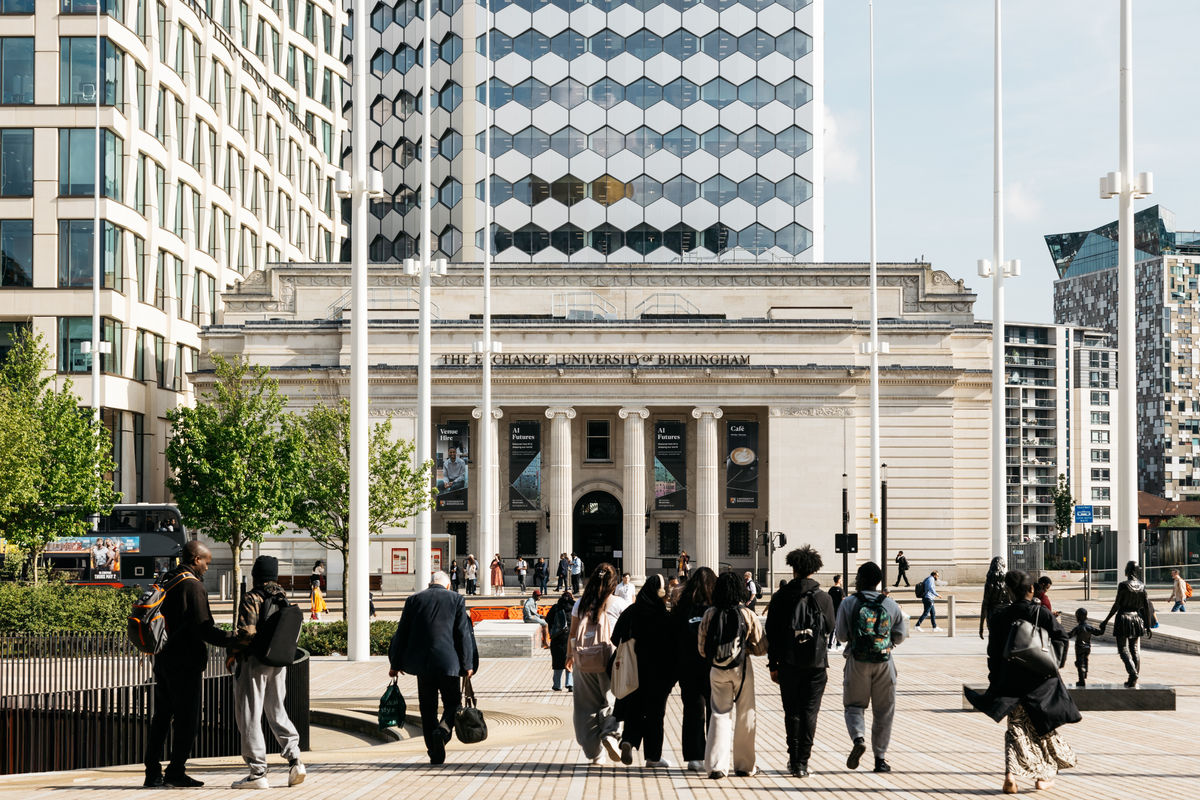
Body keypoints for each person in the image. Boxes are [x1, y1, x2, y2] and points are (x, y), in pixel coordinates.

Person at [966, 570, 1079, 794]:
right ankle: (1043, 777)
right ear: (1031, 589)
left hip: (1010, 682)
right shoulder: (1042, 614)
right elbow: (1062, 638)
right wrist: (1052, 663)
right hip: (1039, 683)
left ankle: (1010, 776)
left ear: (1009, 591)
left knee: (1015, 729)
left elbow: (994, 653)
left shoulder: (1000, 617)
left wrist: (995, 679)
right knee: (1042, 729)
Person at [143, 541, 237, 788]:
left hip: (163, 658)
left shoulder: (168, 579)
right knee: (188, 720)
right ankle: (176, 772)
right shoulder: (193, 587)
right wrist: (234, 639)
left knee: (161, 717)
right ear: (196, 559)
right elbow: (204, 628)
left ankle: (152, 772)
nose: (207, 567)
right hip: (186, 663)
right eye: (207, 561)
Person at [228, 556, 305, 790]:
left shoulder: (253, 597)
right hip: (278, 662)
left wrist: (232, 653)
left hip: (255, 662)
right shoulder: (283, 598)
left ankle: (257, 772)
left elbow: (246, 633)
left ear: (256, 575)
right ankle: (295, 760)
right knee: (277, 710)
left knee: (250, 714)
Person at [388, 571, 479, 765]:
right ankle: (443, 732)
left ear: (431, 584)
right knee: (453, 705)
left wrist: (395, 664)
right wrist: (468, 665)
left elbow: (401, 633)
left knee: (427, 709)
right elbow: (462, 634)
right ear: (447, 586)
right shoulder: (456, 599)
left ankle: (434, 752)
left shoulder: (413, 600)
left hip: (423, 666)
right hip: (450, 664)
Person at [766, 546, 836, 778]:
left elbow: (772, 633)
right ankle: (804, 763)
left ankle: (793, 759)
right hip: (816, 664)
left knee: (792, 712)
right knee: (809, 713)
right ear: (814, 569)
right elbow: (830, 628)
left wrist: (773, 664)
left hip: (788, 662)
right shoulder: (823, 598)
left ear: (793, 568)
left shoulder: (781, 597)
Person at [835, 561, 907, 774]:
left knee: (854, 705)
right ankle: (880, 759)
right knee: (884, 711)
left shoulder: (849, 603)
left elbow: (840, 635)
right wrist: (887, 644)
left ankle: (859, 737)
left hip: (857, 661)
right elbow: (901, 635)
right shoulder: (890, 604)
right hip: (884, 662)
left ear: (860, 580)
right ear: (878, 582)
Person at [699, 571, 766, 780]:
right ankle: (745, 765)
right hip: (741, 667)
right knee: (746, 713)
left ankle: (717, 766)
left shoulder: (710, 613)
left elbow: (702, 648)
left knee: (719, 713)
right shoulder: (746, 614)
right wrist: (745, 650)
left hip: (717, 668)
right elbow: (762, 646)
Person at [567, 562, 630, 763]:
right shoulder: (620, 604)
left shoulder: (580, 603)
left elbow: (573, 633)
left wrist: (570, 656)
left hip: (583, 658)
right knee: (612, 698)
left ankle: (594, 752)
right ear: (614, 583)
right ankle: (610, 734)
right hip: (611, 658)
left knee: (585, 705)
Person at [613, 574, 677, 768]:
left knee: (635, 708)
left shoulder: (631, 611)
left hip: (633, 671)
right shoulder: (664, 616)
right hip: (658, 674)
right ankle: (653, 757)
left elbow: (615, 638)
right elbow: (673, 647)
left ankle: (628, 741)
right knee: (655, 714)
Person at [672, 567, 716, 772]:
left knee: (692, 710)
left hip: (687, 666)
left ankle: (693, 756)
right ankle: (713, 754)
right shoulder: (715, 607)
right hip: (711, 666)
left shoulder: (682, 606)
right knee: (714, 710)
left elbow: (674, 636)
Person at [1098, 561, 1157, 688]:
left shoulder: (1123, 585)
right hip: (1137, 619)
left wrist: (1106, 620)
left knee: (1122, 648)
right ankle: (1133, 680)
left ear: (1129, 570)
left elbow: (1117, 605)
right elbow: (1146, 607)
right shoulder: (1142, 585)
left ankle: (1133, 673)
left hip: (1124, 617)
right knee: (1134, 649)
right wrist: (1147, 626)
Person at [547, 590, 575, 691]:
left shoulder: (556, 607)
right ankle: (570, 684)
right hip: (571, 638)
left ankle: (557, 685)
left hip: (557, 638)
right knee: (570, 661)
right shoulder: (575, 607)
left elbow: (548, 620)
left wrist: (552, 631)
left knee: (557, 662)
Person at [1067, 608, 1100, 687]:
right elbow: (1099, 633)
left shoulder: (1078, 628)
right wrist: (1103, 626)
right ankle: (1084, 672)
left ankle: (1081, 680)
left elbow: (1069, 635)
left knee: (1079, 663)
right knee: (1085, 660)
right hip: (1087, 648)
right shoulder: (1089, 627)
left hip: (1079, 648)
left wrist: (1060, 632)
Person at [980, 556, 1011, 640]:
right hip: (1006, 615)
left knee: (994, 640)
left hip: (993, 615)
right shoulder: (1008, 582)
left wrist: (981, 626)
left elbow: (985, 603)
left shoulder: (989, 583)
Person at [828, 574, 845, 650]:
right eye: (841, 579)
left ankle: (838, 643)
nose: (842, 581)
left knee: (837, 627)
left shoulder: (831, 589)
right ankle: (830, 645)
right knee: (835, 628)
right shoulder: (840, 590)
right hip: (838, 610)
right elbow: (843, 600)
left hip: (832, 610)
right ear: (838, 580)